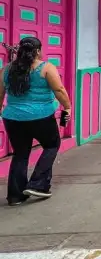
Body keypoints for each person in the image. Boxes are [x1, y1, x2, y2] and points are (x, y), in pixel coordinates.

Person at [0, 36, 71, 205]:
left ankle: (15, 196)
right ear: (38, 51)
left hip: (13, 118)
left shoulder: (7, 69)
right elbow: (59, 89)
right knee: (52, 145)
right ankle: (38, 184)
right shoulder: (45, 68)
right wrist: (67, 107)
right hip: (41, 117)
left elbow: (0, 93)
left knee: (20, 154)